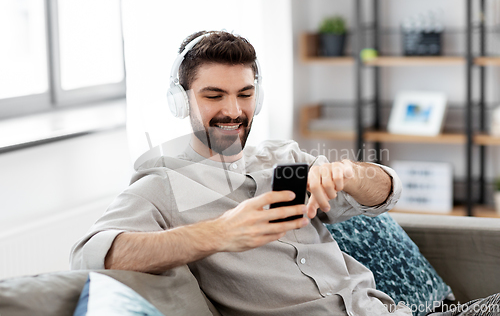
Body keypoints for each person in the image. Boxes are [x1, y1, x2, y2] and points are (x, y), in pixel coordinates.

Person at [71, 30, 494, 316]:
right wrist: (218, 234)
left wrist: (348, 173)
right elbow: (88, 254)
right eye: (213, 95)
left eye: (245, 94)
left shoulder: (282, 157)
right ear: (181, 101)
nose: (233, 111)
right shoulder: (163, 184)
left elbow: (389, 191)